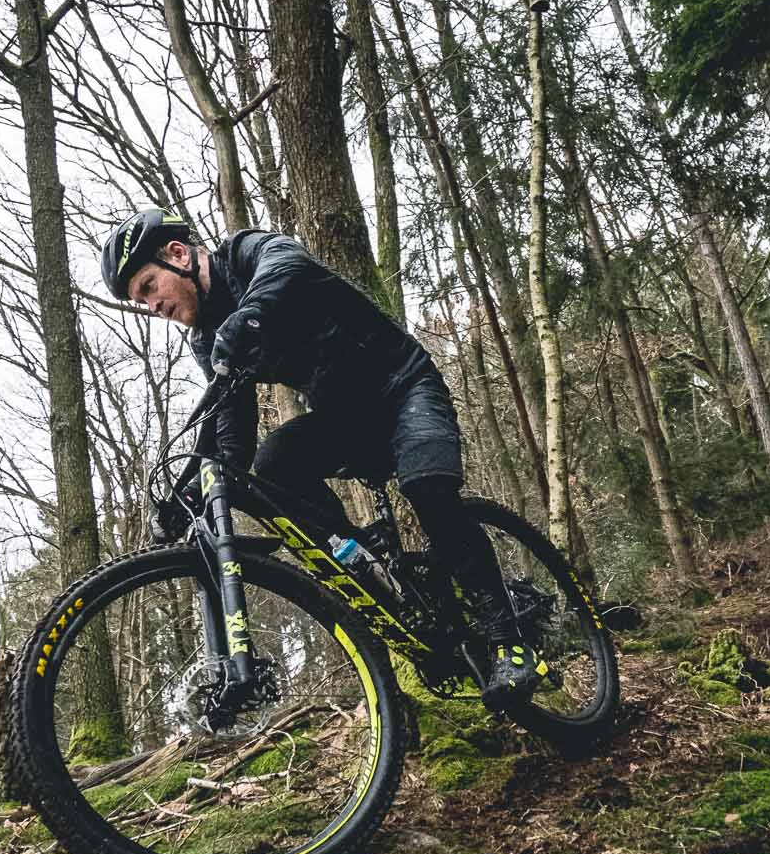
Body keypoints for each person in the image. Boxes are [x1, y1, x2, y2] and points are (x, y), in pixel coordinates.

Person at [99, 207, 543, 705]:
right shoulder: (207, 340)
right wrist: (181, 498)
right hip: (346, 419)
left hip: (403, 388)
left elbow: (289, 264)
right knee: (272, 467)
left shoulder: (244, 255)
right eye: (141, 300)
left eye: (148, 287)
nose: (151, 307)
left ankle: (509, 640)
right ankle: (368, 560)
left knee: (426, 487)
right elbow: (231, 439)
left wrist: (247, 317)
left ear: (177, 255)